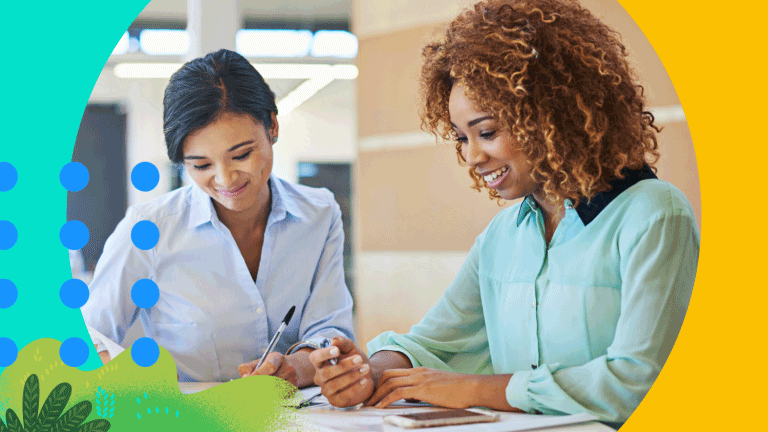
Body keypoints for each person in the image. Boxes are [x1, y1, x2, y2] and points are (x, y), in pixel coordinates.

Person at [309, 0, 699, 425]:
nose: (472, 156)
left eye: (488, 132)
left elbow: (637, 382)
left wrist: (477, 389)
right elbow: (433, 344)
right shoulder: (503, 236)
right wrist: (368, 373)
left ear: (551, 115)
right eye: (461, 137)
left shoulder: (655, 216)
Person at [82, 49, 354, 387]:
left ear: (272, 125)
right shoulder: (150, 228)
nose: (226, 180)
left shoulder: (319, 213)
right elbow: (88, 337)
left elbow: (329, 328)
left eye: (241, 154)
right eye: (201, 165)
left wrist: (296, 367)